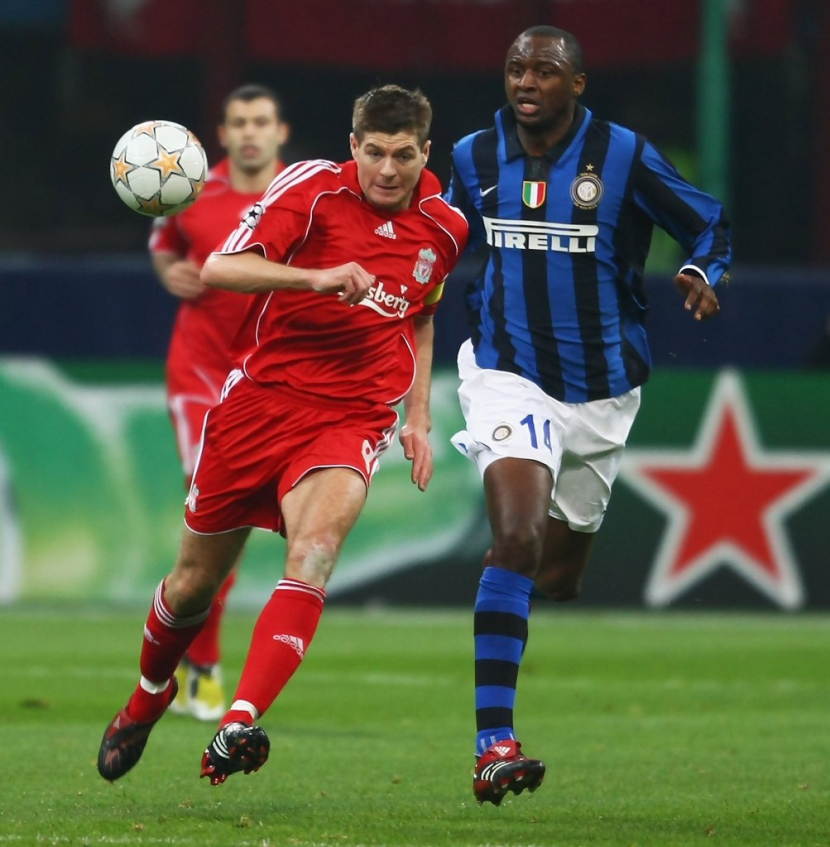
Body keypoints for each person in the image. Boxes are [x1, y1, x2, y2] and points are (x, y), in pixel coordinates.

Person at [97, 84, 469, 785]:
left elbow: (421, 314)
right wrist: (318, 278)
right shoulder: (312, 189)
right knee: (191, 586)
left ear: (426, 151)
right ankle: (148, 696)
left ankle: (238, 720)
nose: (389, 171)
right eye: (376, 154)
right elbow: (219, 268)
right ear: (353, 145)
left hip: (353, 415)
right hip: (261, 404)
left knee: (317, 552)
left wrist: (417, 415)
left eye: (405, 156)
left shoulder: (446, 227)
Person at [445, 25, 731, 806]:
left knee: (558, 574)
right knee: (516, 535)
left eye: (545, 70)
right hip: (508, 373)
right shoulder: (472, 158)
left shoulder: (626, 155)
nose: (525, 81)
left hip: (603, 392)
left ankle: (506, 592)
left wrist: (703, 267)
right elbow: (430, 243)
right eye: (515, 67)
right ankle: (493, 742)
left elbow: (709, 220)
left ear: (578, 83)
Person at [149, 83, 289, 722]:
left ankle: (194, 657)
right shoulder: (189, 188)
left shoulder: (303, 194)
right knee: (212, 516)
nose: (251, 132)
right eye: (239, 122)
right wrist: (169, 271)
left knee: (229, 528)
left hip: (266, 378)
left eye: (261, 121)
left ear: (280, 131)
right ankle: (202, 666)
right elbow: (165, 245)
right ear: (224, 133)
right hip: (200, 376)